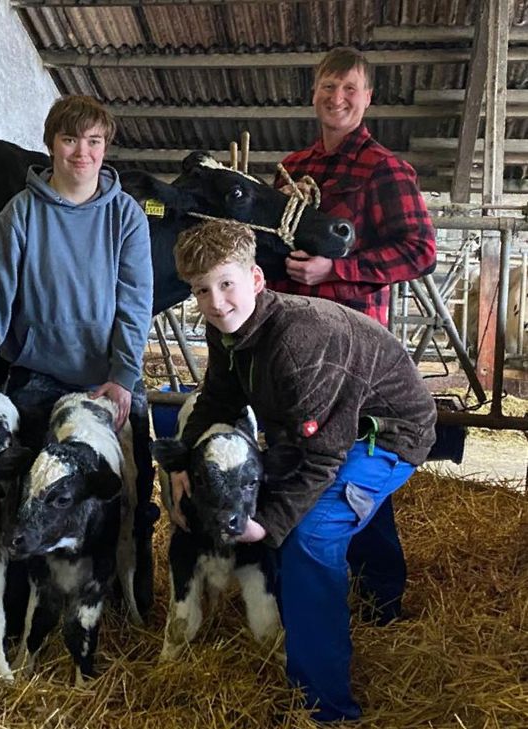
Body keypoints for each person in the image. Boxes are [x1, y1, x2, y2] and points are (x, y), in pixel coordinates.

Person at [170, 219, 436, 722]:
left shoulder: (297, 343)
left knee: (309, 536)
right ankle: (375, 603)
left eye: (226, 284)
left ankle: (326, 707)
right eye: (202, 290)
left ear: (256, 279)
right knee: (313, 504)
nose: (217, 302)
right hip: (326, 427)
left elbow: (322, 459)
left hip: (387, 432)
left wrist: (269, 524)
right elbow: (219, 400)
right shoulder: (229, 331)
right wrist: (183, 460)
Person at [0, 94, 158, 615]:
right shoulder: (22, 212)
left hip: (107, 379)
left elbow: (135, 302)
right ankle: (22, 607)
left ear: (106, 148)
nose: (82, 152)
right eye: (71, 139)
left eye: (94, 141)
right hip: (38, 371)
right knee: (27, 490)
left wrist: (125, 375)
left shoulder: (126, 216)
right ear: (51, 144)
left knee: (130, 491)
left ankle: (129, 602)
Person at [272, 46, 437, 627]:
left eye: (349, 89)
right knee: (294, 456)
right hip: (293, 342)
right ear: (313, 93)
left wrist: (334, 270)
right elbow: (272, 242)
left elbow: (420, 251)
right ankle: (288, 586)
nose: (336, 98)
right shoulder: (291, 169)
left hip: (353, 350)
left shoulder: (386, 169)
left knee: (352, 464)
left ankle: (380, 598)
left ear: (367, 98)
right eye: (327, 87)